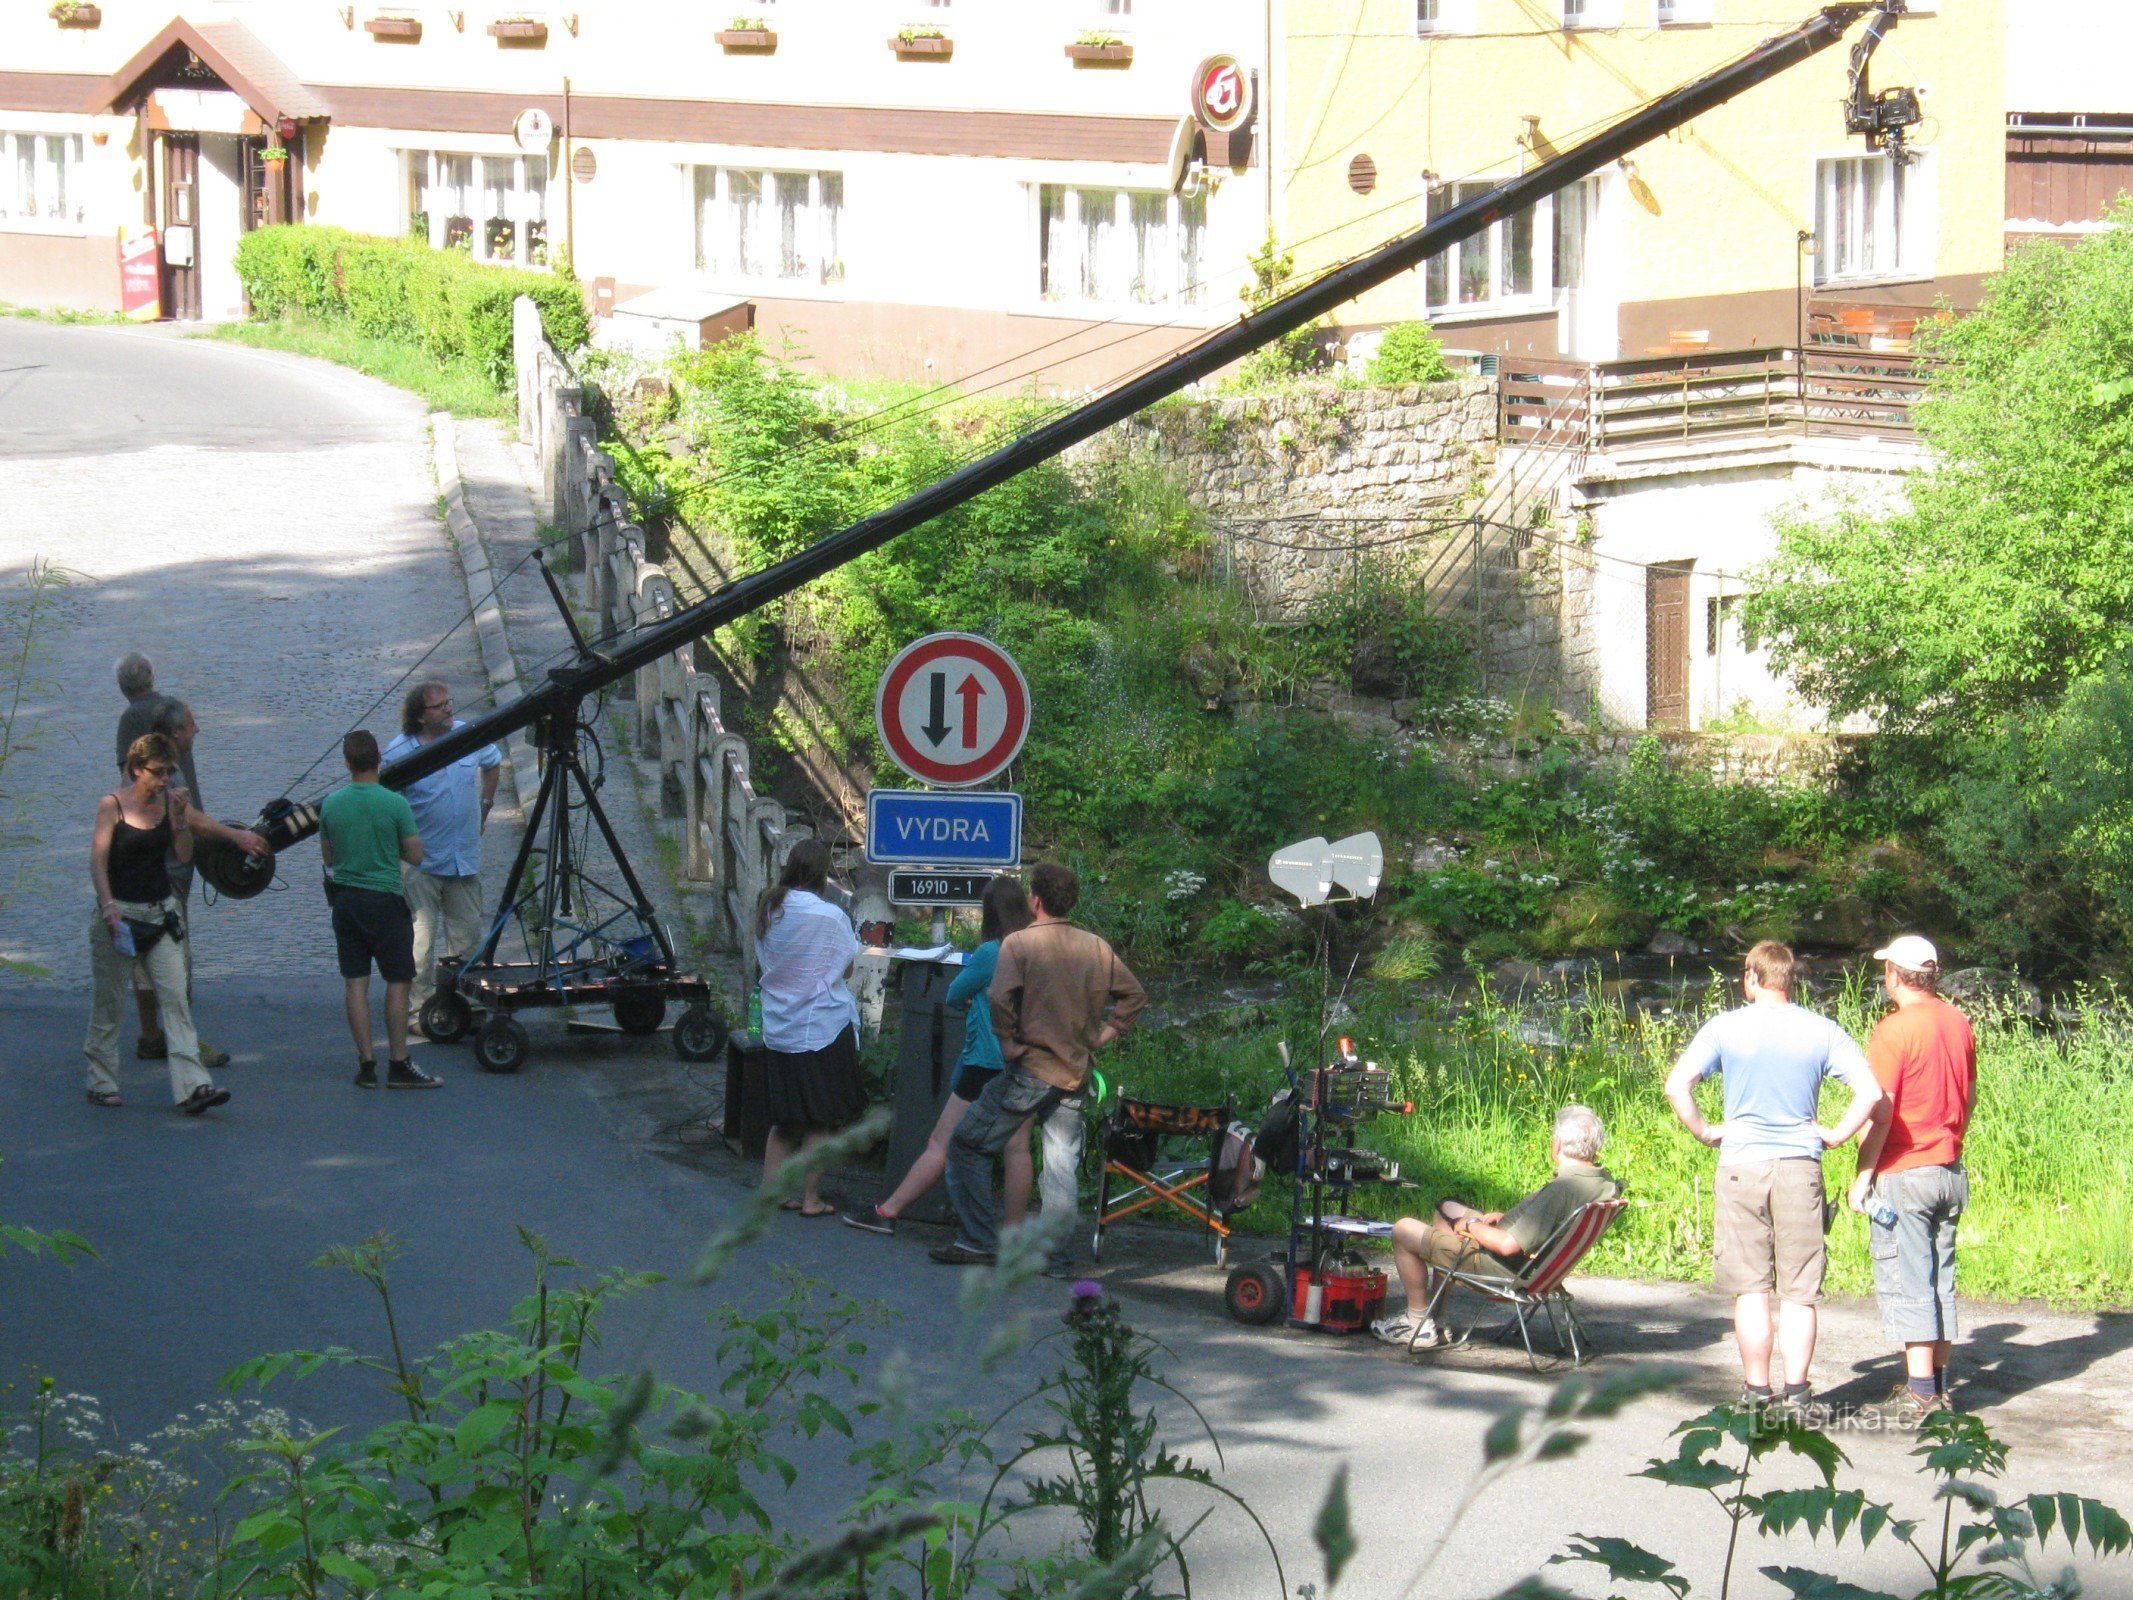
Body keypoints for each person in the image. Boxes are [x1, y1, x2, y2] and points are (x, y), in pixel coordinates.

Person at [1665, 940, 1882, 1413]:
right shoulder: (1823, 1031)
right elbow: (1870, 1092)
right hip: (1800, 1166)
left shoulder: (1724, 1027)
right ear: (1789, 980)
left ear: (1751, 977)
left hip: (1741, 1163)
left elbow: (1676, 1085)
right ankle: (1799, 1393)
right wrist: (1837, 1135)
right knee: (1800, 1291)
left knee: (1752, 1287)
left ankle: (1756, 1391)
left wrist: (1705, 1131)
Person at [935, 862, 1145, 1276]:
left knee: (966, 1145)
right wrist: (1105, 1035)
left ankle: (979, 1240)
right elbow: (1133, 995)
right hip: (1076, 1071)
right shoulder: (1096, 947)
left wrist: (1008, 1040)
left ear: (1036, 900)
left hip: (1031, 1069)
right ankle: (1059, 1257)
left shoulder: (1019, 944)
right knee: (1061, 1166)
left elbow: (999, 997)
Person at [844, 876, 1036, 1237]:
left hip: (983, 1059)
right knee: (1017, 1148)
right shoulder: (1035, 951)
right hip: (1025, 1061)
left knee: (941, 1141)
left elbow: (953, 993)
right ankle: (1012, 1235)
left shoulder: (992, 952)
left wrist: (970, 997)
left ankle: (888, 1210)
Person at [1849, 935, 1977, 1423]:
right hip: (1949, 1167)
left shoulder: (1894, 1030)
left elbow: (1879, 1112)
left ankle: (1920, 1393)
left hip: (1906, 1171)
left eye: (1886, 969)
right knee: (1940, 1274)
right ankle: (1938, 1386)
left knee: (1909, 1277)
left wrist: (1863, 1176)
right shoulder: (1957, 1021)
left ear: (1897, 975)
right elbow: (1967, 1094)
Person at [113, 654, 260, 1071]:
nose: (199, 730)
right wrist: (236, 836)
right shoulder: (166, 773)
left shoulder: (149, 750)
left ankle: (151, 1035)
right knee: (177, 957)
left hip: (144, 870)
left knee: (146, 955)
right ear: (177, 733)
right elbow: (183, 814)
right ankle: (187, 1047)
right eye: (193, 726)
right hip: (165, 870)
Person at [1371, 1106, 1617, 1349]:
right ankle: (1437, 1318)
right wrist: (1505, 1218)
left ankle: (1417, 1323)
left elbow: (1508, 1245)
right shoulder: (1603, 1183)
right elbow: (1549, 1226)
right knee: (1446, 1209)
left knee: (1403, 1229)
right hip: (1540, 1269)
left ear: (1557, 1144)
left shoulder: (1563, 1190)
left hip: (1506, 1268)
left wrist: (1472, 1225)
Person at [84, 732, 229, 1114]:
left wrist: (180, 819)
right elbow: (98, 862)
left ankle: (194, 1086)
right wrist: (108, 906)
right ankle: (101, 1080)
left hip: (161, 914)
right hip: (120, 920)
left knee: (176, 1000)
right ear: (136, 769)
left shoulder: (169, 804)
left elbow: (182, 855)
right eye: (159, 772)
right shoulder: (112, 806)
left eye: (170, 772)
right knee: (110, 1002)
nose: (166, 779)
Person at [319, 730, 439, 1091]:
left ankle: (366, 1064)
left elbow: (330, 857)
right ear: (378, 761)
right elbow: (416, 854)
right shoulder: (395, 804)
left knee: (355, 982)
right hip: (385, 901)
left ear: (347, 763)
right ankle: (399, 1062)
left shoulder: (331, 804)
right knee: (398, 981)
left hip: (346, 901)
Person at [755, 839, 869, 1217]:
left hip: (779, 1026)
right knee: (819, 1120)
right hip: (820, 1026)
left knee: (784, 1121)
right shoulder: (831, 916)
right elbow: (847, 968)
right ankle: (811, 1198)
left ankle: (773, 1194)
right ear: (823, 875)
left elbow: (765, 963)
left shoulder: (769, 909)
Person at [381, 680, 503, 1025]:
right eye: (440, 706)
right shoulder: (398, 752)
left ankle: (467, 1006)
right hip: (420, 866)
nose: (450, 709)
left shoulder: (468, 735)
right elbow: (386, 799)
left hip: (463, 858)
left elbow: (493, 763)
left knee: (467, 942)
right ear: (420, 717)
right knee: (419, 946)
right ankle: (419, 1011)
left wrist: (485, 803)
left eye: (450, 703)